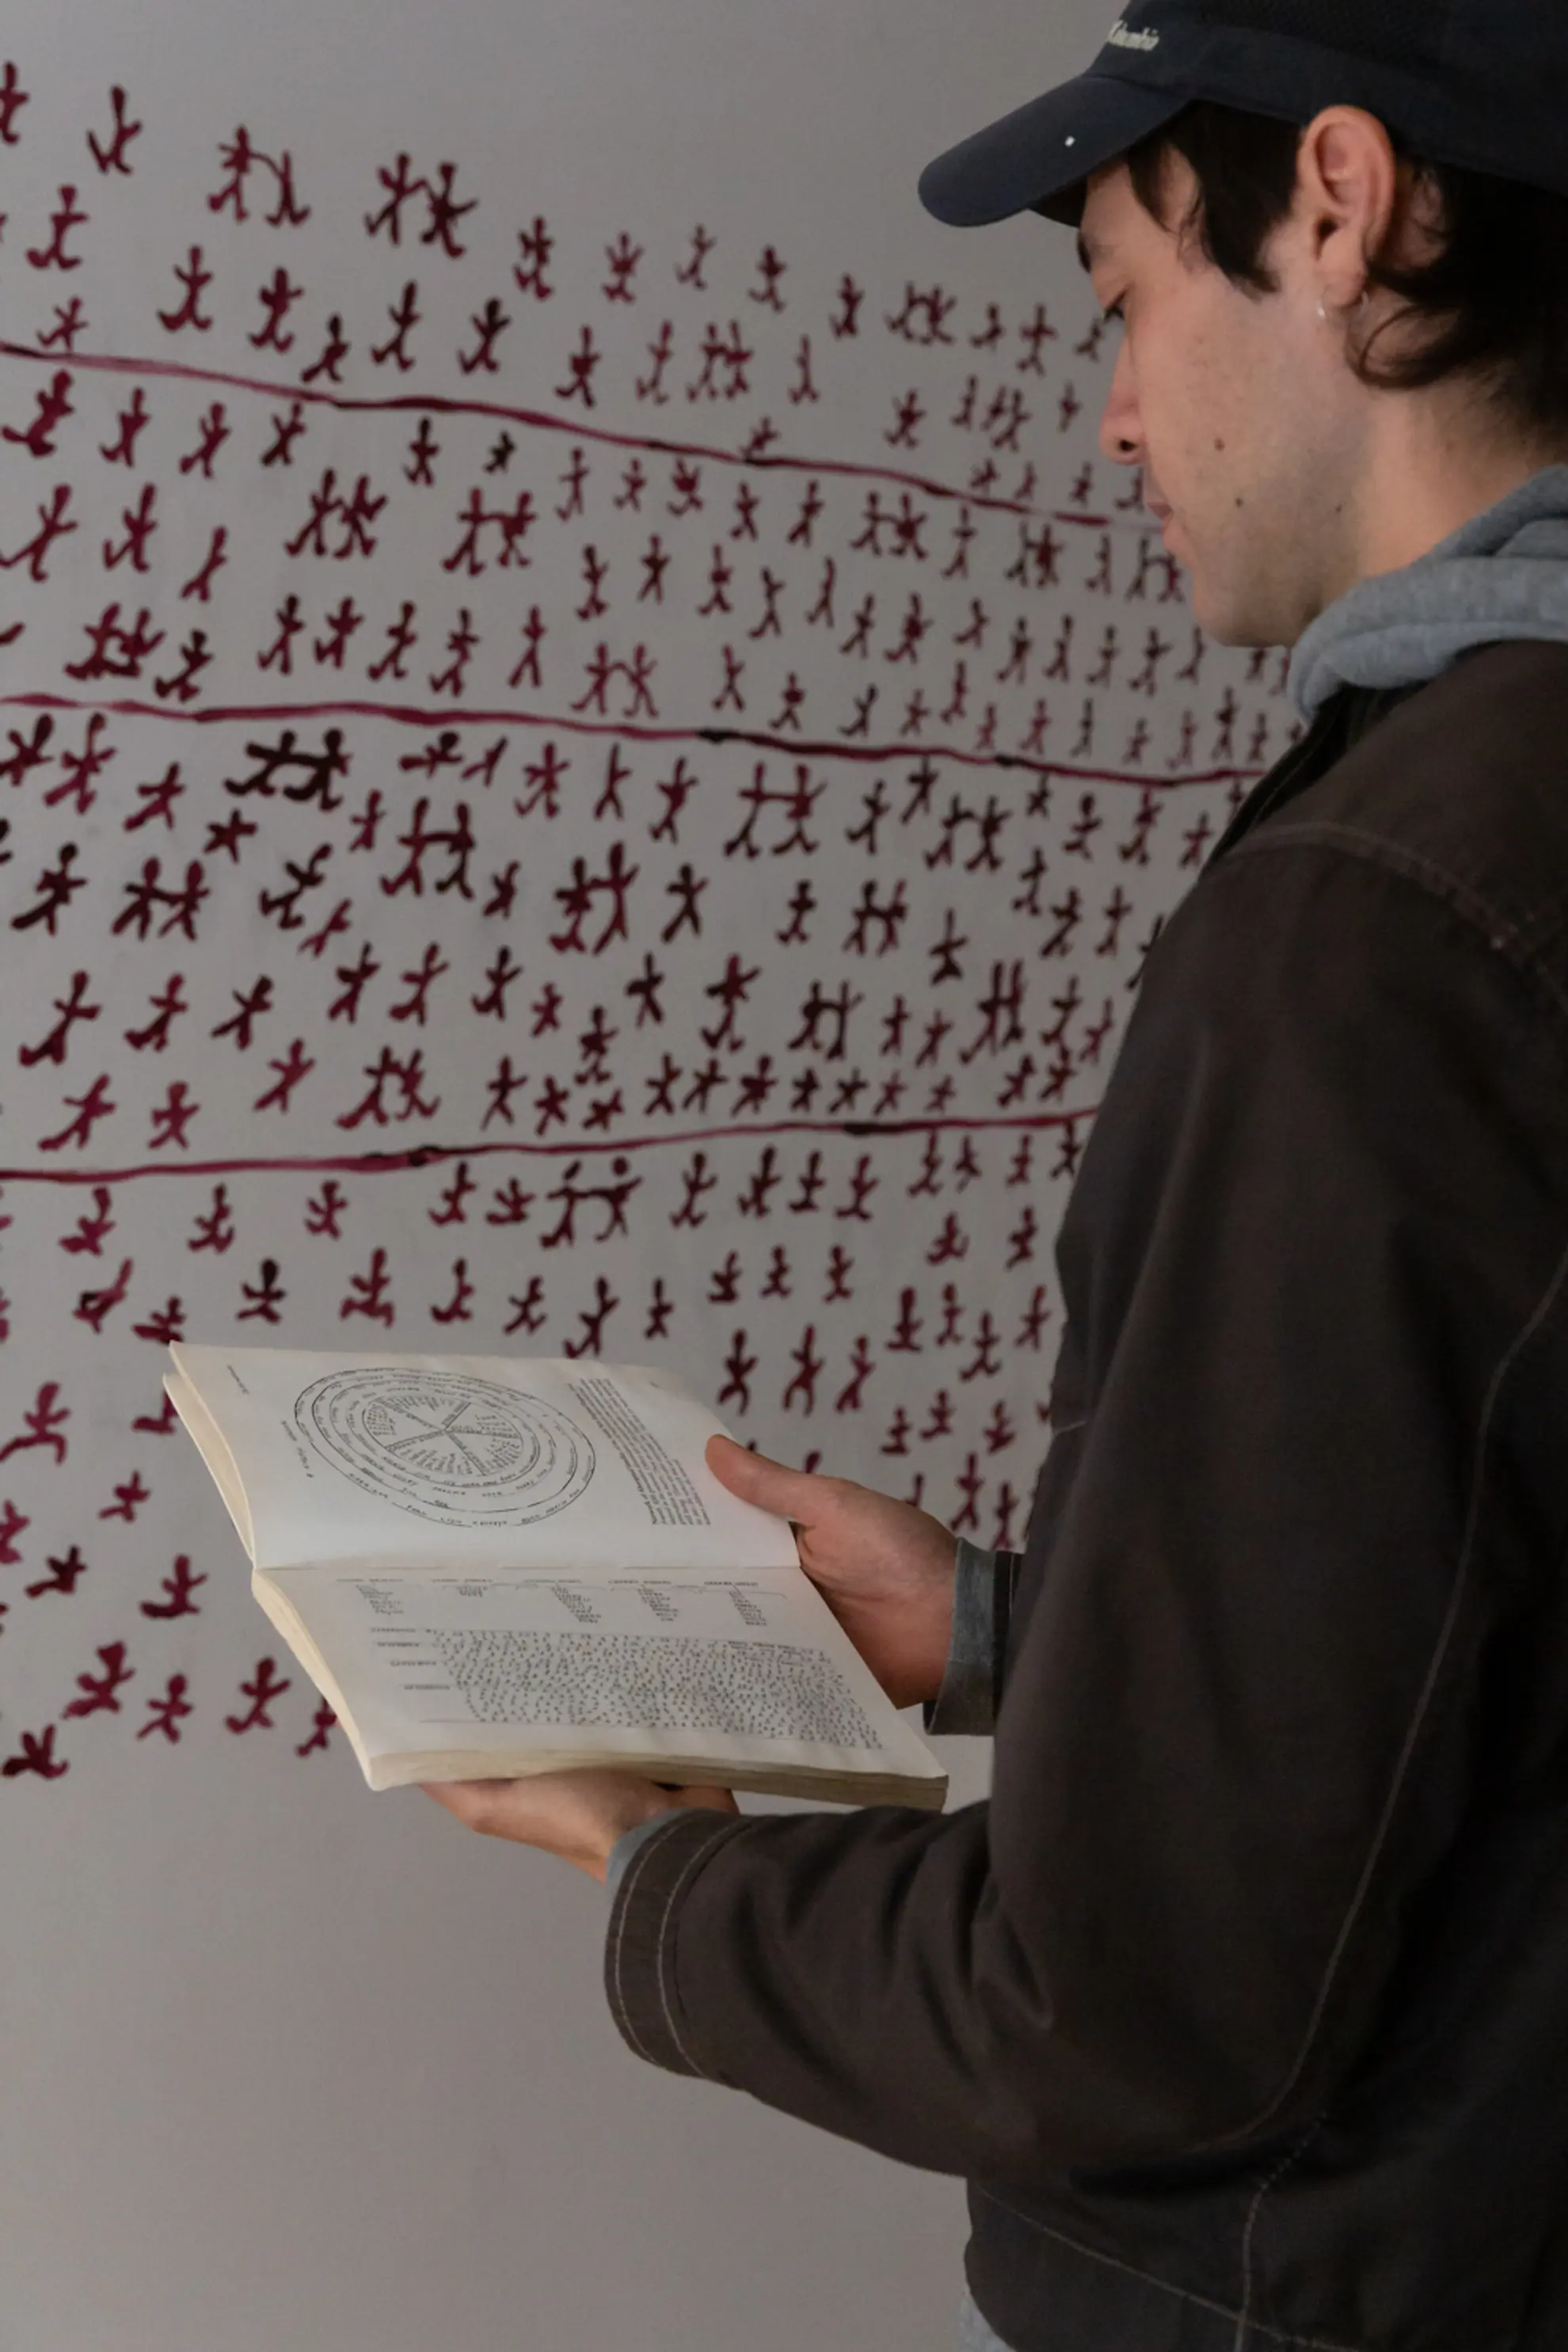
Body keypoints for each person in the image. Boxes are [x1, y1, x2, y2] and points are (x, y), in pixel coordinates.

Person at [424, 2, 1568, 2343]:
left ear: (1340, 206)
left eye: (1125, 302)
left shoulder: (1374, 926)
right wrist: (1014, 1633)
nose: (1116, 415)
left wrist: (661, 1886)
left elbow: (1125, 1998)